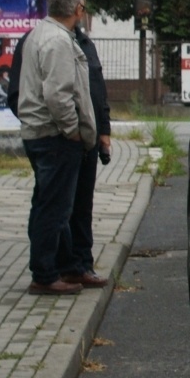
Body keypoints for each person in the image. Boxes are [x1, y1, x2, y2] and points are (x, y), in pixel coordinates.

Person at [17, 0, 101, 296]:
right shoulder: (57, 40)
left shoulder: (39, 33)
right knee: (53, 209)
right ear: (78, 10)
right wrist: (73, 131)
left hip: (42, 133)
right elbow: (58, 94)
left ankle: (66, 267)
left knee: (49, 204)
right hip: (54, 137)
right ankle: (45, 274)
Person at [69, 24, 112, 282]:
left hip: (90, 136)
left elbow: (98, 88)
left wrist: (104, 131)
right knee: (62, 205)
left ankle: (83, 264)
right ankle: (61, 263)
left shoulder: (86, 43)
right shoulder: (45, 41)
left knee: (83, 204)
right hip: (65, 137)